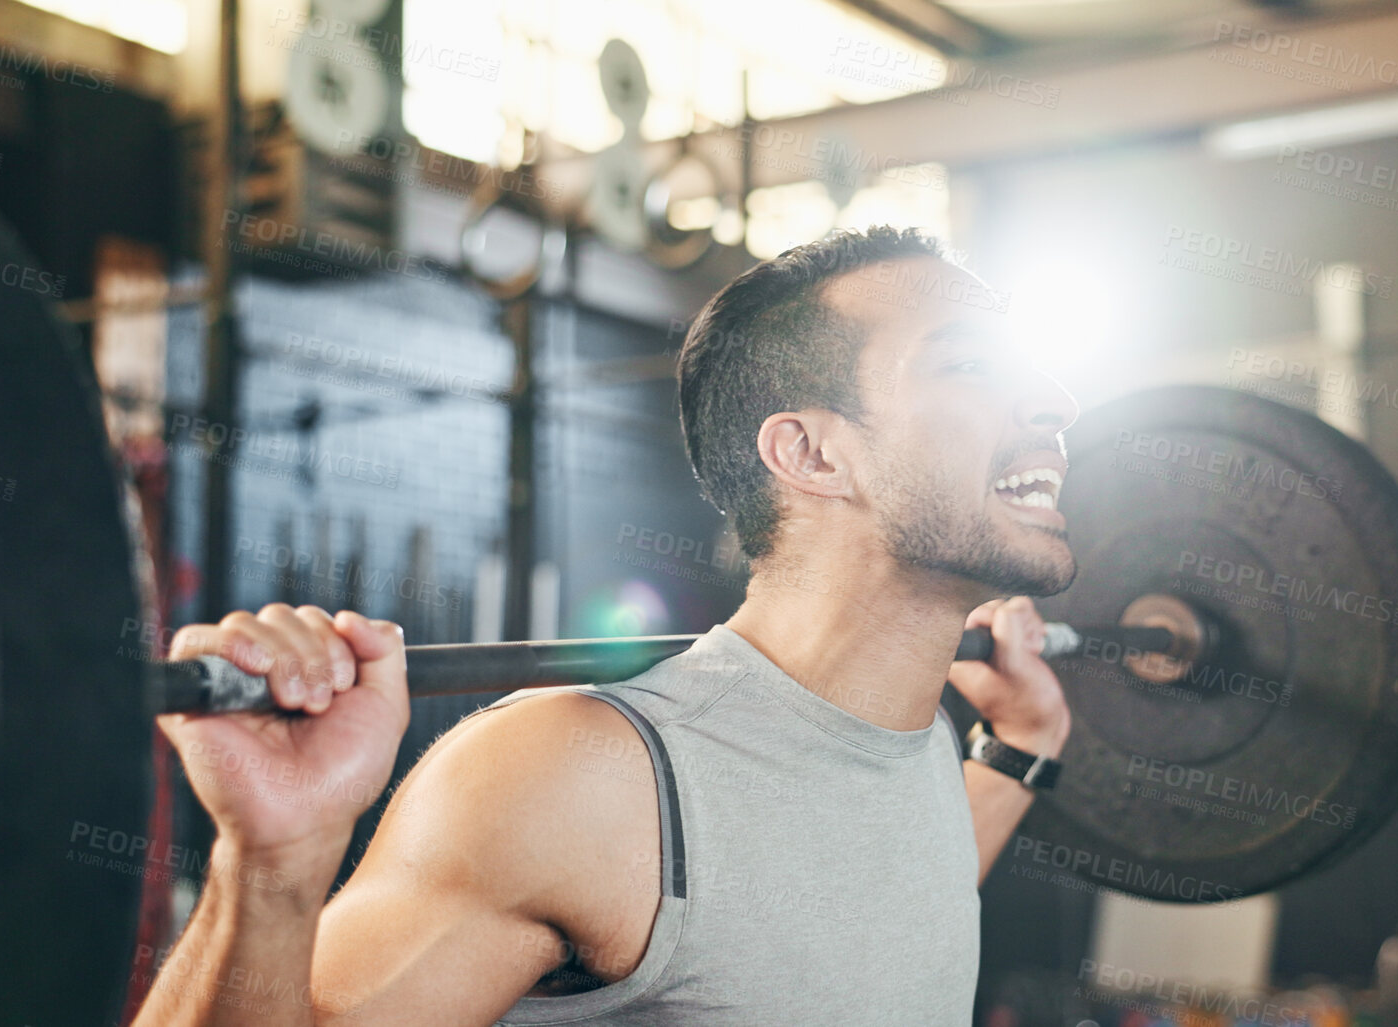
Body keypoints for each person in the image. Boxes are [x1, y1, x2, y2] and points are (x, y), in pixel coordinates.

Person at [134, 226, 1081, 1025]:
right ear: (812, 452)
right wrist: (275, 862)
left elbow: (872, 904)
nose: (1054, 403)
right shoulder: (579, 775)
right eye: (971, 366)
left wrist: (1022, 748)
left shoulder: (912, 743)